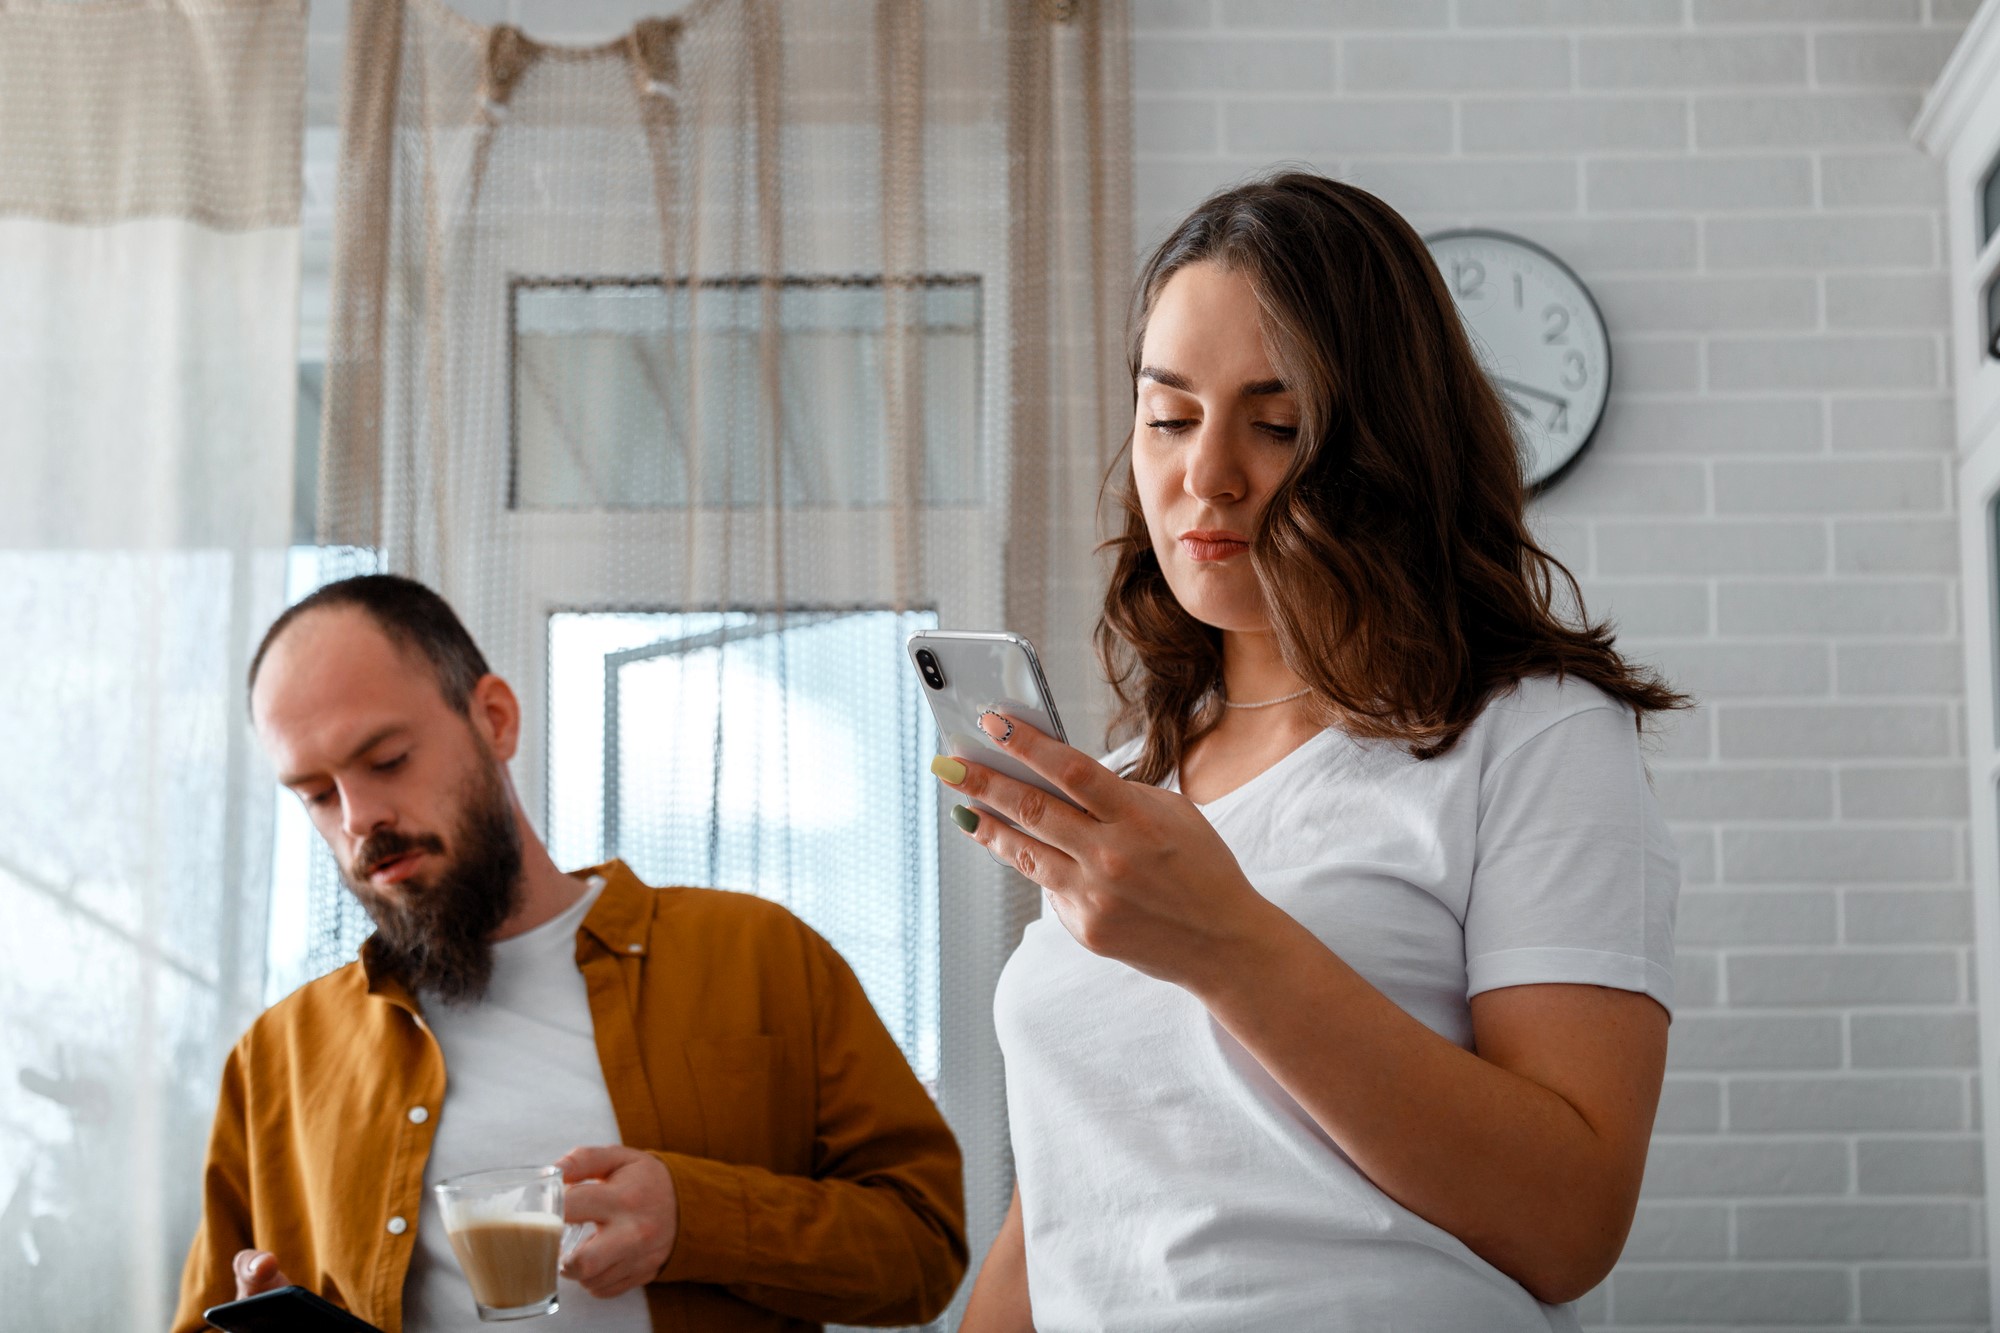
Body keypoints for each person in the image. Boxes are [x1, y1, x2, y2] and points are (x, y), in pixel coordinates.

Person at [950, 172, 1686, 1332]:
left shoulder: (1532, 734)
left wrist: (1230, 947)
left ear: (1389, 445)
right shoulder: (1134, 770)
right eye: (1169, 415)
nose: (1207, 474)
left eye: (1277, 422)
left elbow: (1569, 1225)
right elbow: (1069, 1197)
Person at [171, 575, 965, 1333]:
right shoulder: (276, 1058)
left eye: (386, 760)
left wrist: (700, 1218)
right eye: (316, 792)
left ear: (495, 718)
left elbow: (927, 1249)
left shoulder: (759, 956)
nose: (360, 817)